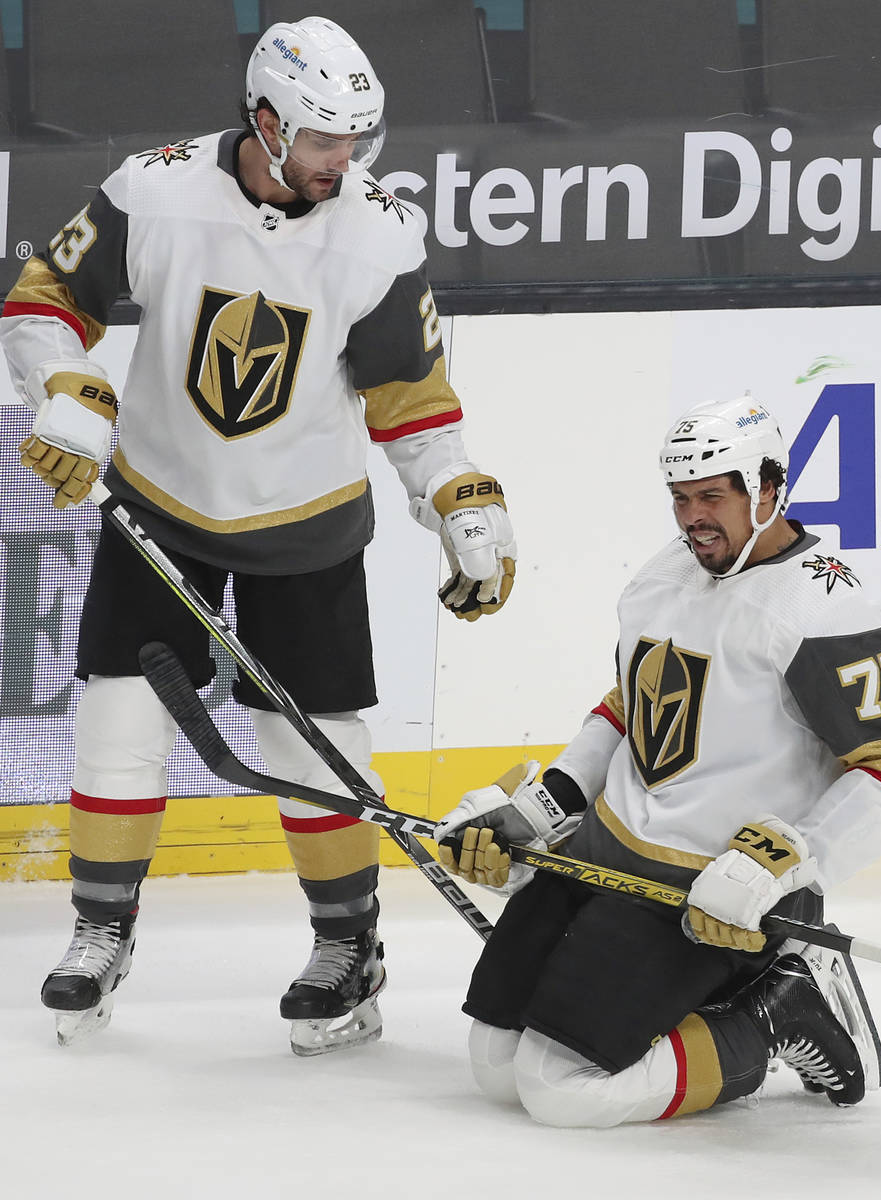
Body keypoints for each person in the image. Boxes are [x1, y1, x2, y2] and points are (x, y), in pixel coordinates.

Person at [0, 16, 516, 1053]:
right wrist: (63, 385)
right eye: (326, 140)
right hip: (163, 505)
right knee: (117, 723)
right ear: (267, 120)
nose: (346, 162)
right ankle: (101, 930)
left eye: (357, 141)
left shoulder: (377, 230)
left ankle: (347, 946)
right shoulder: (156, 190)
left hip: (306, 521)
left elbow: (410, 399)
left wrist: (458, 494)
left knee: (311, 745)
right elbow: (44, 298)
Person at [434, 393, 881, 1127]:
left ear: (769, 489)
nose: (693, 517)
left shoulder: (824, 606)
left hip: (706, 898)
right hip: (601, 859)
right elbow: (628, 708)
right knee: (495, 1068)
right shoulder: (667, 572)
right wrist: (542, 808)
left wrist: (787, 858)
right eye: (680, 498)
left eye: (712, 496)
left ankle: (776, 1008)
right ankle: (703, 1000)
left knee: (560, 1090)